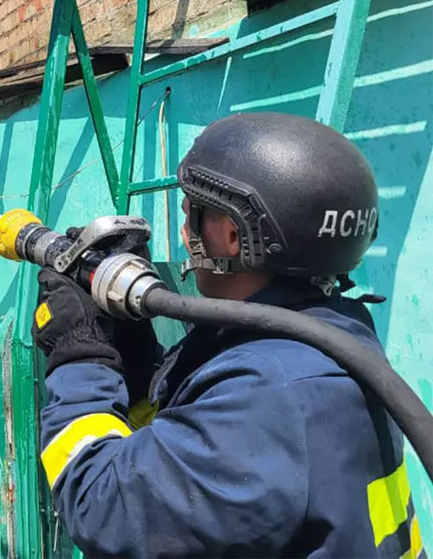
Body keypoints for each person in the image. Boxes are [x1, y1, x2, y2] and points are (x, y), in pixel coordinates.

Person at [32, 112, 424, 557]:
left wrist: (79, 354)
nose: (183, 233)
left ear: (234, 236)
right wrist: (134, 356)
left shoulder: (272, 396)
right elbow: (193, 441)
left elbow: (101, 504)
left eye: (190, 215)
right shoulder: (325, 336)